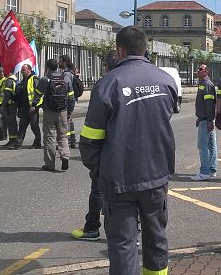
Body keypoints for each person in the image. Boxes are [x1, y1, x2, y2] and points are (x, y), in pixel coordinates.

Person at [80, 26, 177, 275]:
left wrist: (100, 170)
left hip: (119, 179)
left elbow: (90, 140)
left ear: (119, 50)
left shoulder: (107, 84)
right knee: (156, 238)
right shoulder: (165, 80)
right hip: (156, 176)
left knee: (123, 244)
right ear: (145, 49)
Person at [71, 49, 119, 242]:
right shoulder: (137, 81)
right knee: (130, 193)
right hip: (132, 152)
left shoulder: (104, 85)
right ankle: (131, 230)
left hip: (108, 152)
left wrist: (93, 162)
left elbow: (93, 128)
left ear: (106, 66)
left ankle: (92, 228)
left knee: (99, 191)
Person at [35, 58, 72, 172]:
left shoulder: (45, 80)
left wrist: (34, 106)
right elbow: (71, 97)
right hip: (62, 111)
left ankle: (50, 164)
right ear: (57, 67)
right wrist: (69, 111)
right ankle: (65, 156)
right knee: (62, 136)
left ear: (47, 67)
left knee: (49, 137)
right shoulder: (66, 78)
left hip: (49, 111)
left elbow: (37, 96)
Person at [192, 63, 217, 181]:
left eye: (200, 69)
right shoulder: (203, 84)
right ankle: (211, 169)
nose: (198, 70)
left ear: (207, 72)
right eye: (198, 68)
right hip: (205, 119)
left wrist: (209, 120)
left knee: (202, 146)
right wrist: (200, 117)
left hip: (207, 120)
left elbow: (210, 104)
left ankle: (205, 172)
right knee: (211, 146)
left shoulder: (206, 84)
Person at [11, 63, 41, 149]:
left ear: (29, 70)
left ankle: (37, 143)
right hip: (24, 107)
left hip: (32, 107)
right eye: (21, 70)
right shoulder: (24, 80)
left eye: (23, 70)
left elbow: (38, 94)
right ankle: (18, 144)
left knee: (34, 125)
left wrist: (34, 105)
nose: (21, 72)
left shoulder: (34, 79)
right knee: (22, 125)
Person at [59, 55, 78, 148]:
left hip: (67, 101)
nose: (59, 63)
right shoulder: (70, 73)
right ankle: (73, 140)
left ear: (65, 62)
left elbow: (67, 89)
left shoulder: (66, 74)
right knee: (69, 120)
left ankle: (68, 141)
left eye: (60, 61)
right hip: (70, 100)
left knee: (66, 121)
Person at [0, 70, 19, 148]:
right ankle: (12, 140)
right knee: (12, 123)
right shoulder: (15, 79)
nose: (3, 72)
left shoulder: (9, 81)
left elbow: (7, 94)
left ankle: (13, 141)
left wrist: (3, 105)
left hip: (10, 105)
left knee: (11, 123)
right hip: (13, 104)